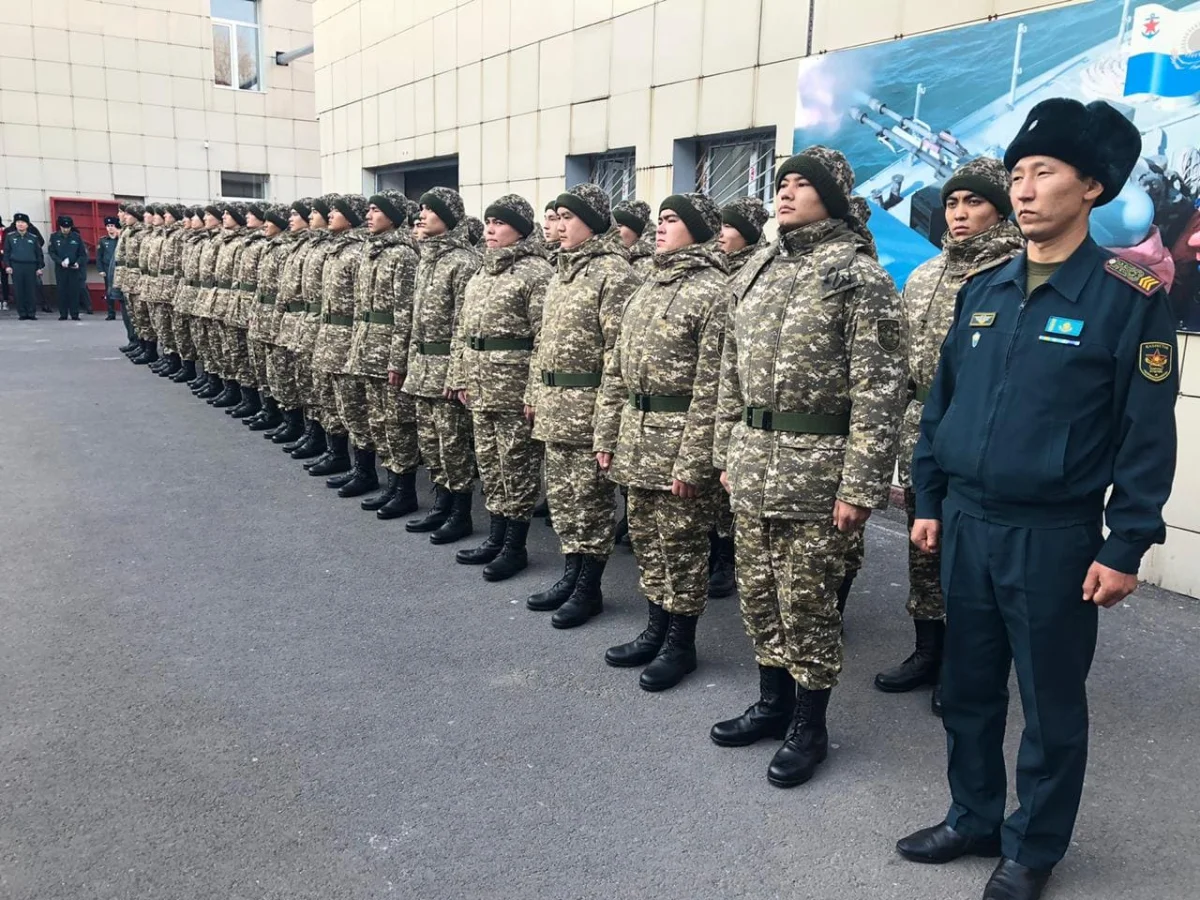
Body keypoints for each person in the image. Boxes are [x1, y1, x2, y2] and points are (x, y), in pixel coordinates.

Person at [897, 99, 1178, 900]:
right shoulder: (983, 289)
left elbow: (1147, 435)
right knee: (970, 687)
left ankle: (1033, 848)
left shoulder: (1128, 295)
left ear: (1090, 188)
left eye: (1042, 174)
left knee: (1051, 704)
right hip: (966, 525)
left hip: (1053, 536)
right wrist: (928, 496)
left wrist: (1125, 544)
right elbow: (940, 406)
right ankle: (973, 815)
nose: (1022, 191)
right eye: (1015, 175)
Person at [709, 147, 905, 788]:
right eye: (783, 182)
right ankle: (773, 703)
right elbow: (728, 376)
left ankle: (809, 725)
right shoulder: (758, 269)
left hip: (817, 473)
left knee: (808, 604)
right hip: (753, 462)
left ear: (835, 196)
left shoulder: (857, 277)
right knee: (759, 594)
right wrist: (726, 452)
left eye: (803, 184)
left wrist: (860, 486)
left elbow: (880, 393)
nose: (785, 193)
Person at [874, 157, 1024, 718]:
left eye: (975, 203)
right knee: (924, 546)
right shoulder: (925, 274)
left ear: (999, 209)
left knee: (973, 561)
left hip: (981, 440)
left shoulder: (1016, 270)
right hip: (923, 436)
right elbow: (901, 362)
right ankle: (927, 651)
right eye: (953, 204)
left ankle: (969, 666)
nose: (959, 215)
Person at [594, 192, 728, 691]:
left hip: (678, 441)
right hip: (636, 434)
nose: (660, 228)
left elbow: (715, 387)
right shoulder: (648, 284)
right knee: (648, 540)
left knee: (683, 546)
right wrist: (607, 434)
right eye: (661, 219)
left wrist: (694, 463)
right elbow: (616, 369)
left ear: (696, 228)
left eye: (672, 220)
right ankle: (655, 628)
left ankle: (681, 643)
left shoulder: (714, 291)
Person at [524, 183, 640, 628]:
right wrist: (535, 392)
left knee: (590, 502)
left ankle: (588, 589)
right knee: (564, 499)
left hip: (589, 407)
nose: (557, 226)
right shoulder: (561, 271)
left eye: (567, 218)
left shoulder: (614, 273)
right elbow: (543, 342)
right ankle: (570, 577)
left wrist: (609, 422)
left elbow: (617, 356)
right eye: (556, 218)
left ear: (591, 222)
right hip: (555, 405)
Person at [449, 193, 552, 580]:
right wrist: (459, 374)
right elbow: (464, 330)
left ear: (521, 230)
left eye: (500, 223)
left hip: (512, 386)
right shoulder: (482, 271)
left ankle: (515, 545)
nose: (490, 230)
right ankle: (496, 535)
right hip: (480, 383)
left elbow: (545, 338)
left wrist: (533, 392)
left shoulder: (535, 273)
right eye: (488, 222)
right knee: (490, 463)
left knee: (517, 466)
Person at [402, 187, 482, 543]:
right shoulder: (427, 258)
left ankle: (459, 512)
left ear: (447, 217)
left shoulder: (462, 262)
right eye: (420, 209)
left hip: (446, 366)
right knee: (431, 442)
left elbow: (462, 326)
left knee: (453, 444)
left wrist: (456, 373)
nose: (421, 215)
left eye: (429, 210)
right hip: (423, 365)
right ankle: (441, 503)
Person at [351, 190, 422, 518]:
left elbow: (404, 312)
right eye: (368, 209)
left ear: (393, 216)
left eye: (376, 210)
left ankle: (404, 489)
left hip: (388, 348)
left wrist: (398, 359)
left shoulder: (402, 255)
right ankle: (390, 483)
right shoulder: (371, 250)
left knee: (397, 422)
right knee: (378, 419)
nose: (369, 215)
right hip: (368, 344)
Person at [310, 194, 370, 484]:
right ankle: (337, 454)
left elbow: (362, 305)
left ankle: (364, 470)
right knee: (332, 399)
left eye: (337, 211)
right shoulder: (336, 250)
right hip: (330, 334)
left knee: (355, 406)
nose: (329, 214)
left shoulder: (358, 252)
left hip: (348, 336)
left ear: (350, 217)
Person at [266, 199, 319, 449]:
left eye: (297, 215)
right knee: (292, 376)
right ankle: (298, 425)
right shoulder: (298, 246)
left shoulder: (314, 248)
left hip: (307, 320)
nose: (290, 219)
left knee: (310, 383)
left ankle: (316, 436)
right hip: (292, 319)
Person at [243, 205, 294, 431]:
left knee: (282, 371)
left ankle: (290, 420)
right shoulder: (269, 247)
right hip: (262, 311)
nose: (265, 224)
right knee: (265, 367)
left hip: (276, 312)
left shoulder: (285, 249)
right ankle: (270, 410)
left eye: (269, 220)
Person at [223, 203, 270, 419]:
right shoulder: (247, 242)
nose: (248, 217)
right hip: (240, 301)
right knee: (239, 352)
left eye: (252, 214)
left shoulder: (263, 244)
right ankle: (247, 397)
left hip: (254, 304)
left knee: (258, 359)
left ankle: (266, 408)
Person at [3, 213, 45, 320]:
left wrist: (39, 267)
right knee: (19, 290)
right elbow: (6, 253)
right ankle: (22, 313)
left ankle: (31, 313)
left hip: (31, 266)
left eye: (22, 223)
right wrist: (7, 266)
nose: (20, 224)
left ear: (27, 225)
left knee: (30, 290)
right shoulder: (10, 237)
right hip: (16, 266)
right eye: (18, 222)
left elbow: (39, 253)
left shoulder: (33, 238)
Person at [48, 215, 88, 321]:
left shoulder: (76, 237)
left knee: (74, 291)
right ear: (60, 227)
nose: (66, 229)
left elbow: (82, 254)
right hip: (61, 268)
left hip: (73, 269)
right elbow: (52, 252)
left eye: (68, 227)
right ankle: (63, 314)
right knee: (62, 291)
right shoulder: (54, 237)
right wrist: (60, 262)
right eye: (63, 227)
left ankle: (75, 313)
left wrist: (78, 263)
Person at [613, 199, 655, 279]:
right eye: (612, 226)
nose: (614, 231)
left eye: (619, 225)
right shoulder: (611, 258)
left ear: (637, 231)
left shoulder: (653, 264)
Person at [96, 216, 120, 320]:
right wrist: (100, 270)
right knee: (109, 291)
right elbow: (99, 256)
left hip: (119, 268)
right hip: (107, 269)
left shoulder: (120, 240)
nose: (110, 228)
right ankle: (111, 313)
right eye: (108, 226)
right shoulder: (103, 241)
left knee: (122, 291)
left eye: (112, 226)